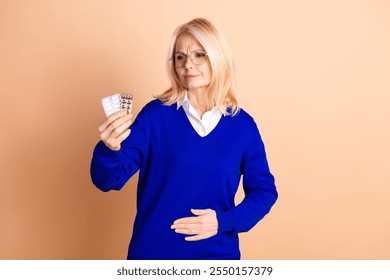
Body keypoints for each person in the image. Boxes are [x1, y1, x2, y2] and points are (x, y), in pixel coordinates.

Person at [90, 18, 278, 260]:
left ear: (217, 58)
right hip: (153, 256)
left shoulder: (243, 126)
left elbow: (264, 191)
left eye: (199, 55)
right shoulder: (155, 116)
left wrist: (223, 221)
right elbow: (107, 181)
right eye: (180, 57)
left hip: (217, 257)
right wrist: (110, 149)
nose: (188, 65)